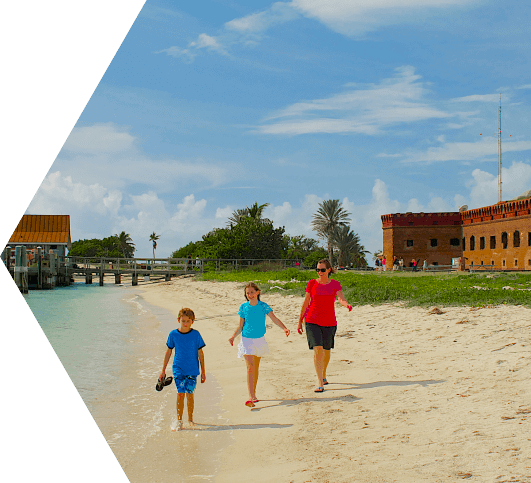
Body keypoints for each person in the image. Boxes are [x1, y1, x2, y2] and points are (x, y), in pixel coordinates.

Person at [229, 282, 290, 407]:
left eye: (252, 292)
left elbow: (274, 319)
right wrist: (233, 337)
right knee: (250, 368)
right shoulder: (243, 307)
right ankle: (251, 396)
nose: (250, 295)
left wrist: (284, 328)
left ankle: (254, 393)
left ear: (258, 292)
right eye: (248, 293)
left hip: (259, 340)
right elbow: (240, 326)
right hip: (246, 340)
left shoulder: (263, 306)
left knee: (255, 368)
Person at [297, 260, 352, 393]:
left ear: (328, 270)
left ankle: (323, 373)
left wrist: (346, 304)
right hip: (312, 320)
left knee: (326, 351)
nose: (319, 272)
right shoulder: (312, 283)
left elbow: (340, 298)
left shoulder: (335, 284)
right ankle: (320, 382)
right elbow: (306, 302)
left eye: (322, 270)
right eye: (318, 270)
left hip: (329, 322)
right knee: (318, 349)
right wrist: (299, 321)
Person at [159, 308, 206, 431]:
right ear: (178, 320)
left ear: (192, 321)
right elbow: (168, 351)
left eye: (188, 321)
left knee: (190, 394)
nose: (185, 323)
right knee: (180, 393)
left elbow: (200, 353)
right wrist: (163, 370)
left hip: (192, 369)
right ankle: (179, 421)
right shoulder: (173, 334)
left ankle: (190, 419)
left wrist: (203, 371)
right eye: (183, 321)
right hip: (178, 368)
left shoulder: (196, 334)